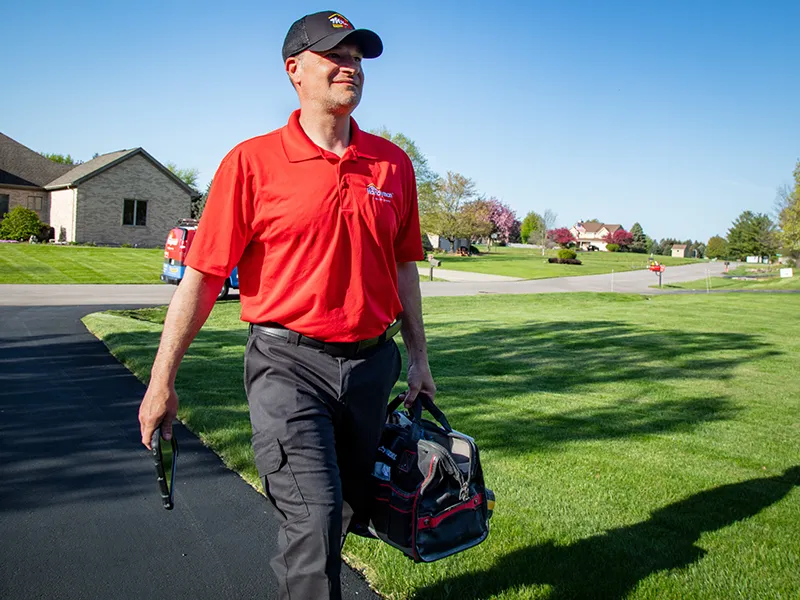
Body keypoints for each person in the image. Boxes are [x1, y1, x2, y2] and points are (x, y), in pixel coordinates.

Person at [138, 10, 436, 600]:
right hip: (287, 365)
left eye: (357, 57)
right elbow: (201, 279)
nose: (350, 66)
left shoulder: (393, 165)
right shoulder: (251, 162)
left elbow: (404, 267)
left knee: (346, 511)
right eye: (335, 55)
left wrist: (419, 357)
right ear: (294, 70)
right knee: (314, 519)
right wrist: (161, 379)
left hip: (373, 367)